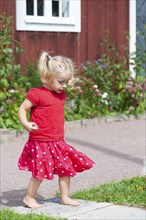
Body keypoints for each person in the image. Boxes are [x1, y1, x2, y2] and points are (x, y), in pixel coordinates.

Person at [18, 51, 95, 209]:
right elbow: (22, 109)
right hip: (41, 140)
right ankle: (29, 197)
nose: (65, 86)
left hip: (57, 139)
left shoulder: (61, 95)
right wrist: (26, 124)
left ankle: (64, 197)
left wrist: (62, 128)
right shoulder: (37, 93)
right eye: (61, 82)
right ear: (48, 77)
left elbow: (58, 113)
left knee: (65, 168)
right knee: (40, 172)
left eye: (67, 82)